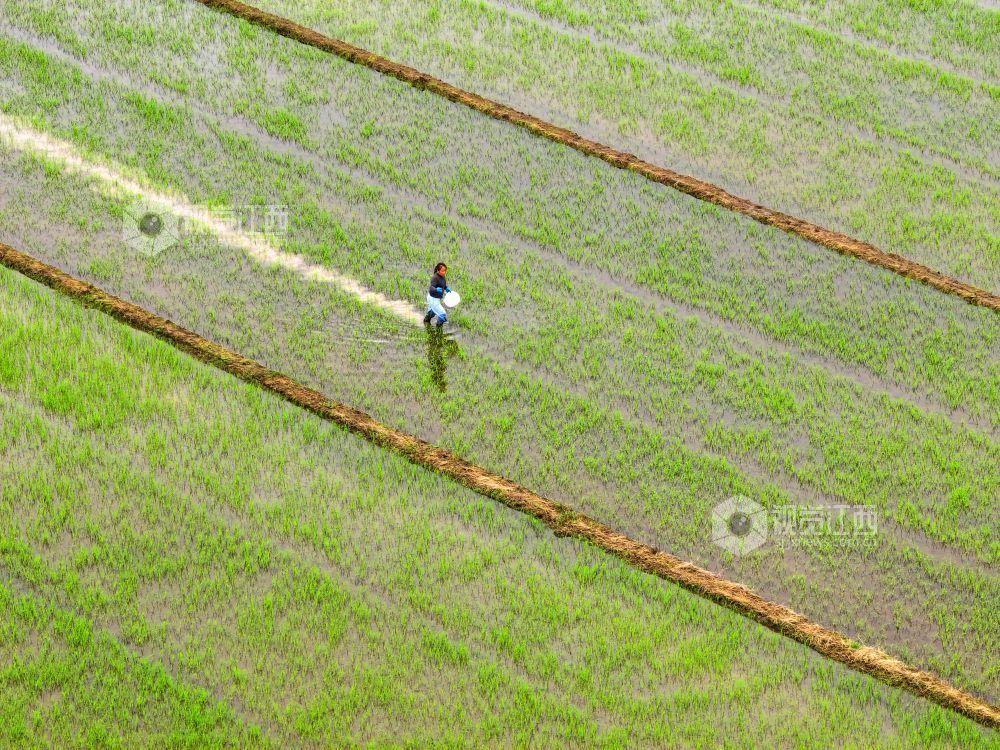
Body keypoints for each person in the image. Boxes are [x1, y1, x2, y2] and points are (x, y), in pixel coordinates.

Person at [423, 262, 451, 327]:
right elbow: (431, 288)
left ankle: (426, 322)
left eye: (445, 270)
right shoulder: (435, 278)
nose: (445, 272)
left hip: (436, 298)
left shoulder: (442, 276)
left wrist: (446, 288)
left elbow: (443, 284)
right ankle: (438, 329)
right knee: (442, 315)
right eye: (443, 271)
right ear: (438, 271)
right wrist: (436, 289)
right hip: (433, 298)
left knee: (432, 312)